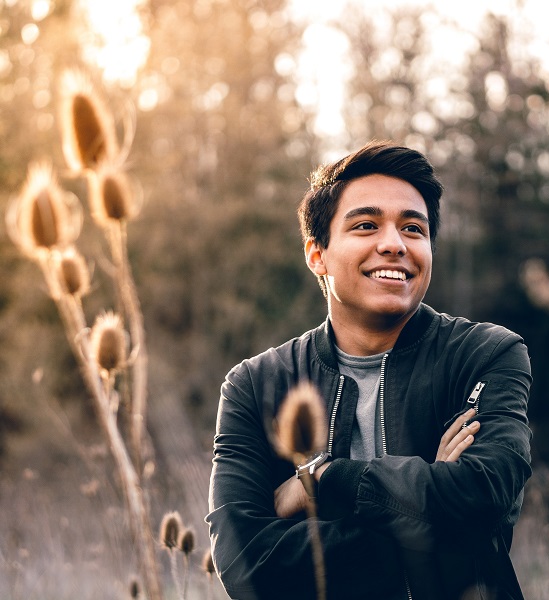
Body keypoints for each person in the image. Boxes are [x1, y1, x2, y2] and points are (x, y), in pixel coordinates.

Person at [207, 141, 532, 600]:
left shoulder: (484, 354)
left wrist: (323, 481)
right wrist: (429, 507)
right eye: (366, 225)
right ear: (316, 254)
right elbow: (246, 565)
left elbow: (485, 492)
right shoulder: (256, 385)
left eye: (413, 229)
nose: (394, 244)